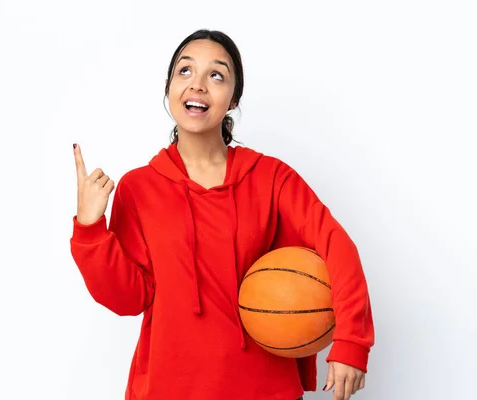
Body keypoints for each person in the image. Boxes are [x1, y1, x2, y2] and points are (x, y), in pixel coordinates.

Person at [70, 29, 374, 400]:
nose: (197, 85)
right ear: (167, 89)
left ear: (233, 100)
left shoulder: (272, 177)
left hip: (266, 390)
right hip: (168, 388)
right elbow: (127, 299)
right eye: (185, 71)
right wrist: (89, 229)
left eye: (216, 75)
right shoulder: (138, 187)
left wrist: (352, 341)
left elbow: (336, 246)